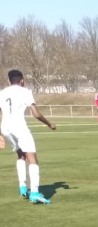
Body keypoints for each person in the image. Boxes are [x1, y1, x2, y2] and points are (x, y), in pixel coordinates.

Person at [0, 69, 56, 203]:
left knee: (21, 155)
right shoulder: (25, 92)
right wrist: (49, 124)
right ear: (22, 81)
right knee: (32, 158)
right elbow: (36, 114)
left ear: (9, 81)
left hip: (6, 128)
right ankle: (35, 192)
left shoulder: (2, 93)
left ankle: (23, 187)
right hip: (19, 128)